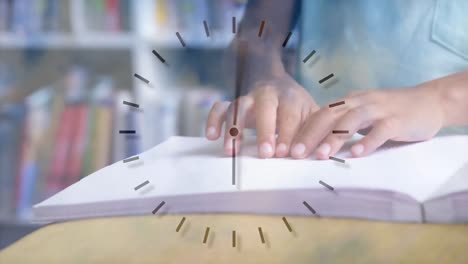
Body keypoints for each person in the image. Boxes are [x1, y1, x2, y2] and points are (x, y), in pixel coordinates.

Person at [205, 0, 468, 159]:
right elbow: (255, 33)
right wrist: (267, 80)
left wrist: (440, 101)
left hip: (449, 167)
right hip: (318, 155)